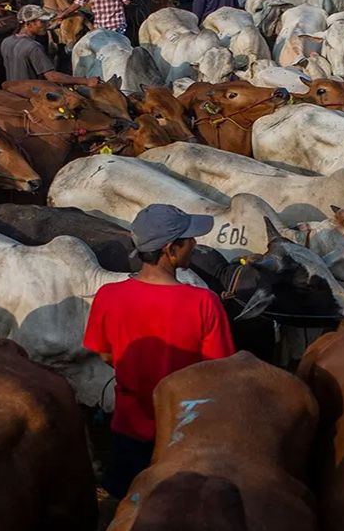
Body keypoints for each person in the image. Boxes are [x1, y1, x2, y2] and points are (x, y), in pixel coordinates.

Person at [82, 203, 235, 496]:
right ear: (170, 249)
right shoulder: (204, 303)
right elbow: (219, 371)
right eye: (190, 239)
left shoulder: (108, 296)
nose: (195, 244)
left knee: (126, 502)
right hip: (184, 431)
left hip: (127, 425)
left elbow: (104, 354)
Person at [0, 5, 57, 83]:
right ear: (28, 24)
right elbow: (51, 76)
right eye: (42, 22)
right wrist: (78, 80)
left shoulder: (6, 42)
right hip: (31, 92)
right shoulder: (33, 47)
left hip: (13, 90)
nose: (46, 25)